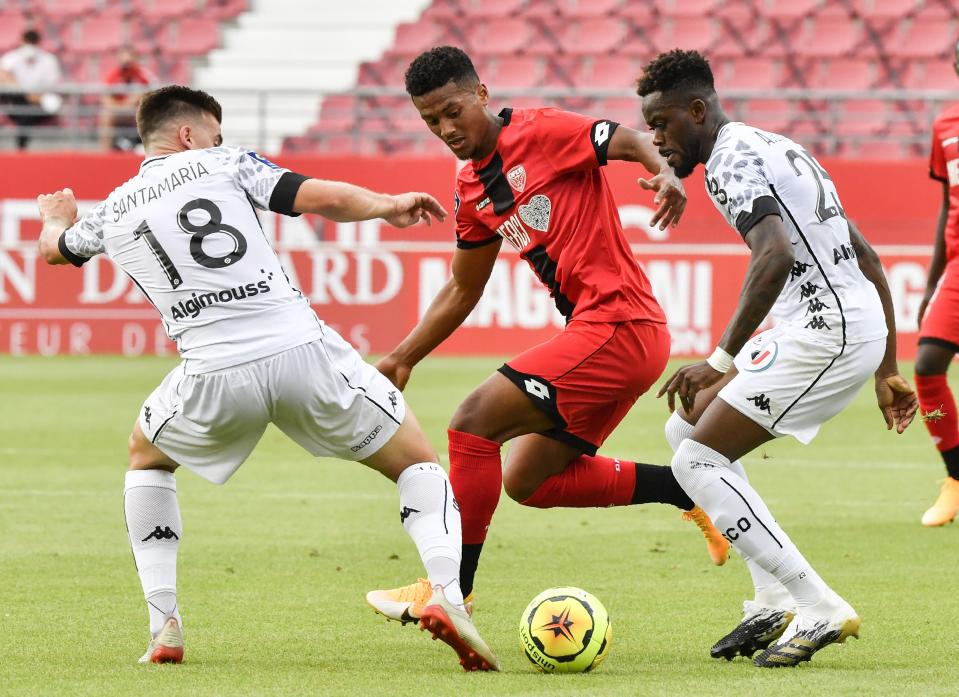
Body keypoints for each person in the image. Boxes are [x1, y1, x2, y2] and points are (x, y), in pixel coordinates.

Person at [35, 85, 498, 672]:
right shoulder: (225, 162)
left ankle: (164, 625)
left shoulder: (116, 208)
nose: (218, 141)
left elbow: (56, 250)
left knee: (146, 458)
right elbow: (316, 196)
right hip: (300, 350)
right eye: (213, 131)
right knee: (416, 461)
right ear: (188, 135)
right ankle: (448, 596)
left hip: (210, 371)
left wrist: (55, 218)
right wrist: (386, 204)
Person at [366, 46, 729, 626]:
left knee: (472, 420)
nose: (447, 129)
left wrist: (665, 175)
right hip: (608, 334)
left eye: (454, 111)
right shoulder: (470, 189)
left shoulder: (541, 130)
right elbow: (463, 288)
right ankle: (689, 491)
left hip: (620, 324)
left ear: (481, 94)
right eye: (431, 121)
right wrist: (403, 357)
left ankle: (450, 590)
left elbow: (632, 140)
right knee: (530, 479)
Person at [638, 49, 918, 668]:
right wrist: (888, 368)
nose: (655, 139)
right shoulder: (772, 144)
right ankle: (769, 597)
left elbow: (775, 256)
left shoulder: (728, 161)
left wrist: (718, 358)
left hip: (826, 332)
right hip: (832, 324)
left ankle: (817, 603)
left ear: (697, 110)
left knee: (697, 460)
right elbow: (865, 255)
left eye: (660, 124)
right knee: (684, 425)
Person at [915, 39, 959, 527]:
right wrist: (932, 282)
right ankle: (955, 476)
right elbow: (949, 203)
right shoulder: (946, 126)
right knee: (927, 368)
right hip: (957, 268)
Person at [0, 29, 61, 149]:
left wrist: (35, 96)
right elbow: (3, 76)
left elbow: (52, 85)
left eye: (32, 43)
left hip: (39, 103)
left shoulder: (49, 60)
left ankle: (21, 147)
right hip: (16, 101)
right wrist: (26, 93)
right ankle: (21, 147)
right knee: (24, 107)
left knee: (27, 111)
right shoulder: (11, 58)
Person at [98, 46, 156, 151]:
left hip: (138, 112)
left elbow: (150, 94)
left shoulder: (144, 75)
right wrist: (121, 107)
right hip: (119, 111)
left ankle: (150, 151)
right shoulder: (113, 75)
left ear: (135, 58)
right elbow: (105, 98)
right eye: (123, 58)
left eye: (129, 58)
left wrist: (134, 101)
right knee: (106, 116)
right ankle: (104, 153)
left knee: (149, 115)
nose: (126, 62)